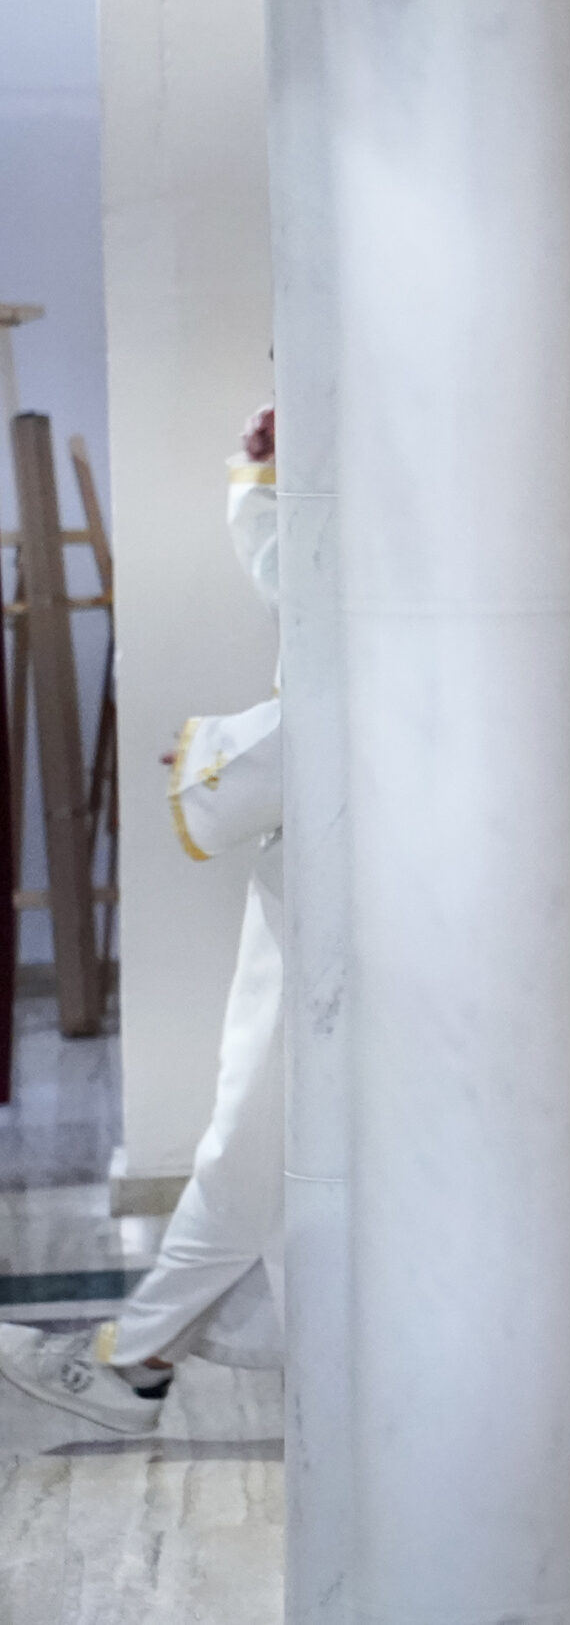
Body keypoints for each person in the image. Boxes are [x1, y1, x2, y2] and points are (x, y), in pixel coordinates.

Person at [0, 407, 286, 1432]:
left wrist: (215, 760)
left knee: (256, 1135)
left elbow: (355, 698)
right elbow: (316, 612)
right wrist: (259, 486)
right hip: (334, 879)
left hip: (365, 895)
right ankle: (142, 1359)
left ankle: (138, 1365)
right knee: (259, 1137)